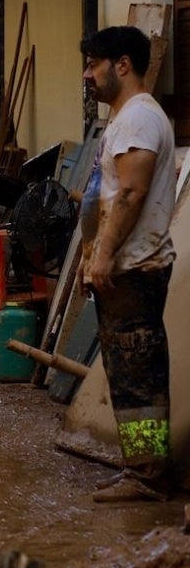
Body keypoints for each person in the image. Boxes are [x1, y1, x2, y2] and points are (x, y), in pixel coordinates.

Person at [79, 26, 176, 503]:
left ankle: (148, 474)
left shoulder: (139, 118)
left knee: (138, 377)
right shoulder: (124, 118)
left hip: (135, 268)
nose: (86, 74)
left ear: (122, 65)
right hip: (124, 267)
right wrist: (91, 252)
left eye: (93, 64)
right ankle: (140, 466)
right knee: (128, 375)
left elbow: (132, 193)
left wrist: (103, 254)